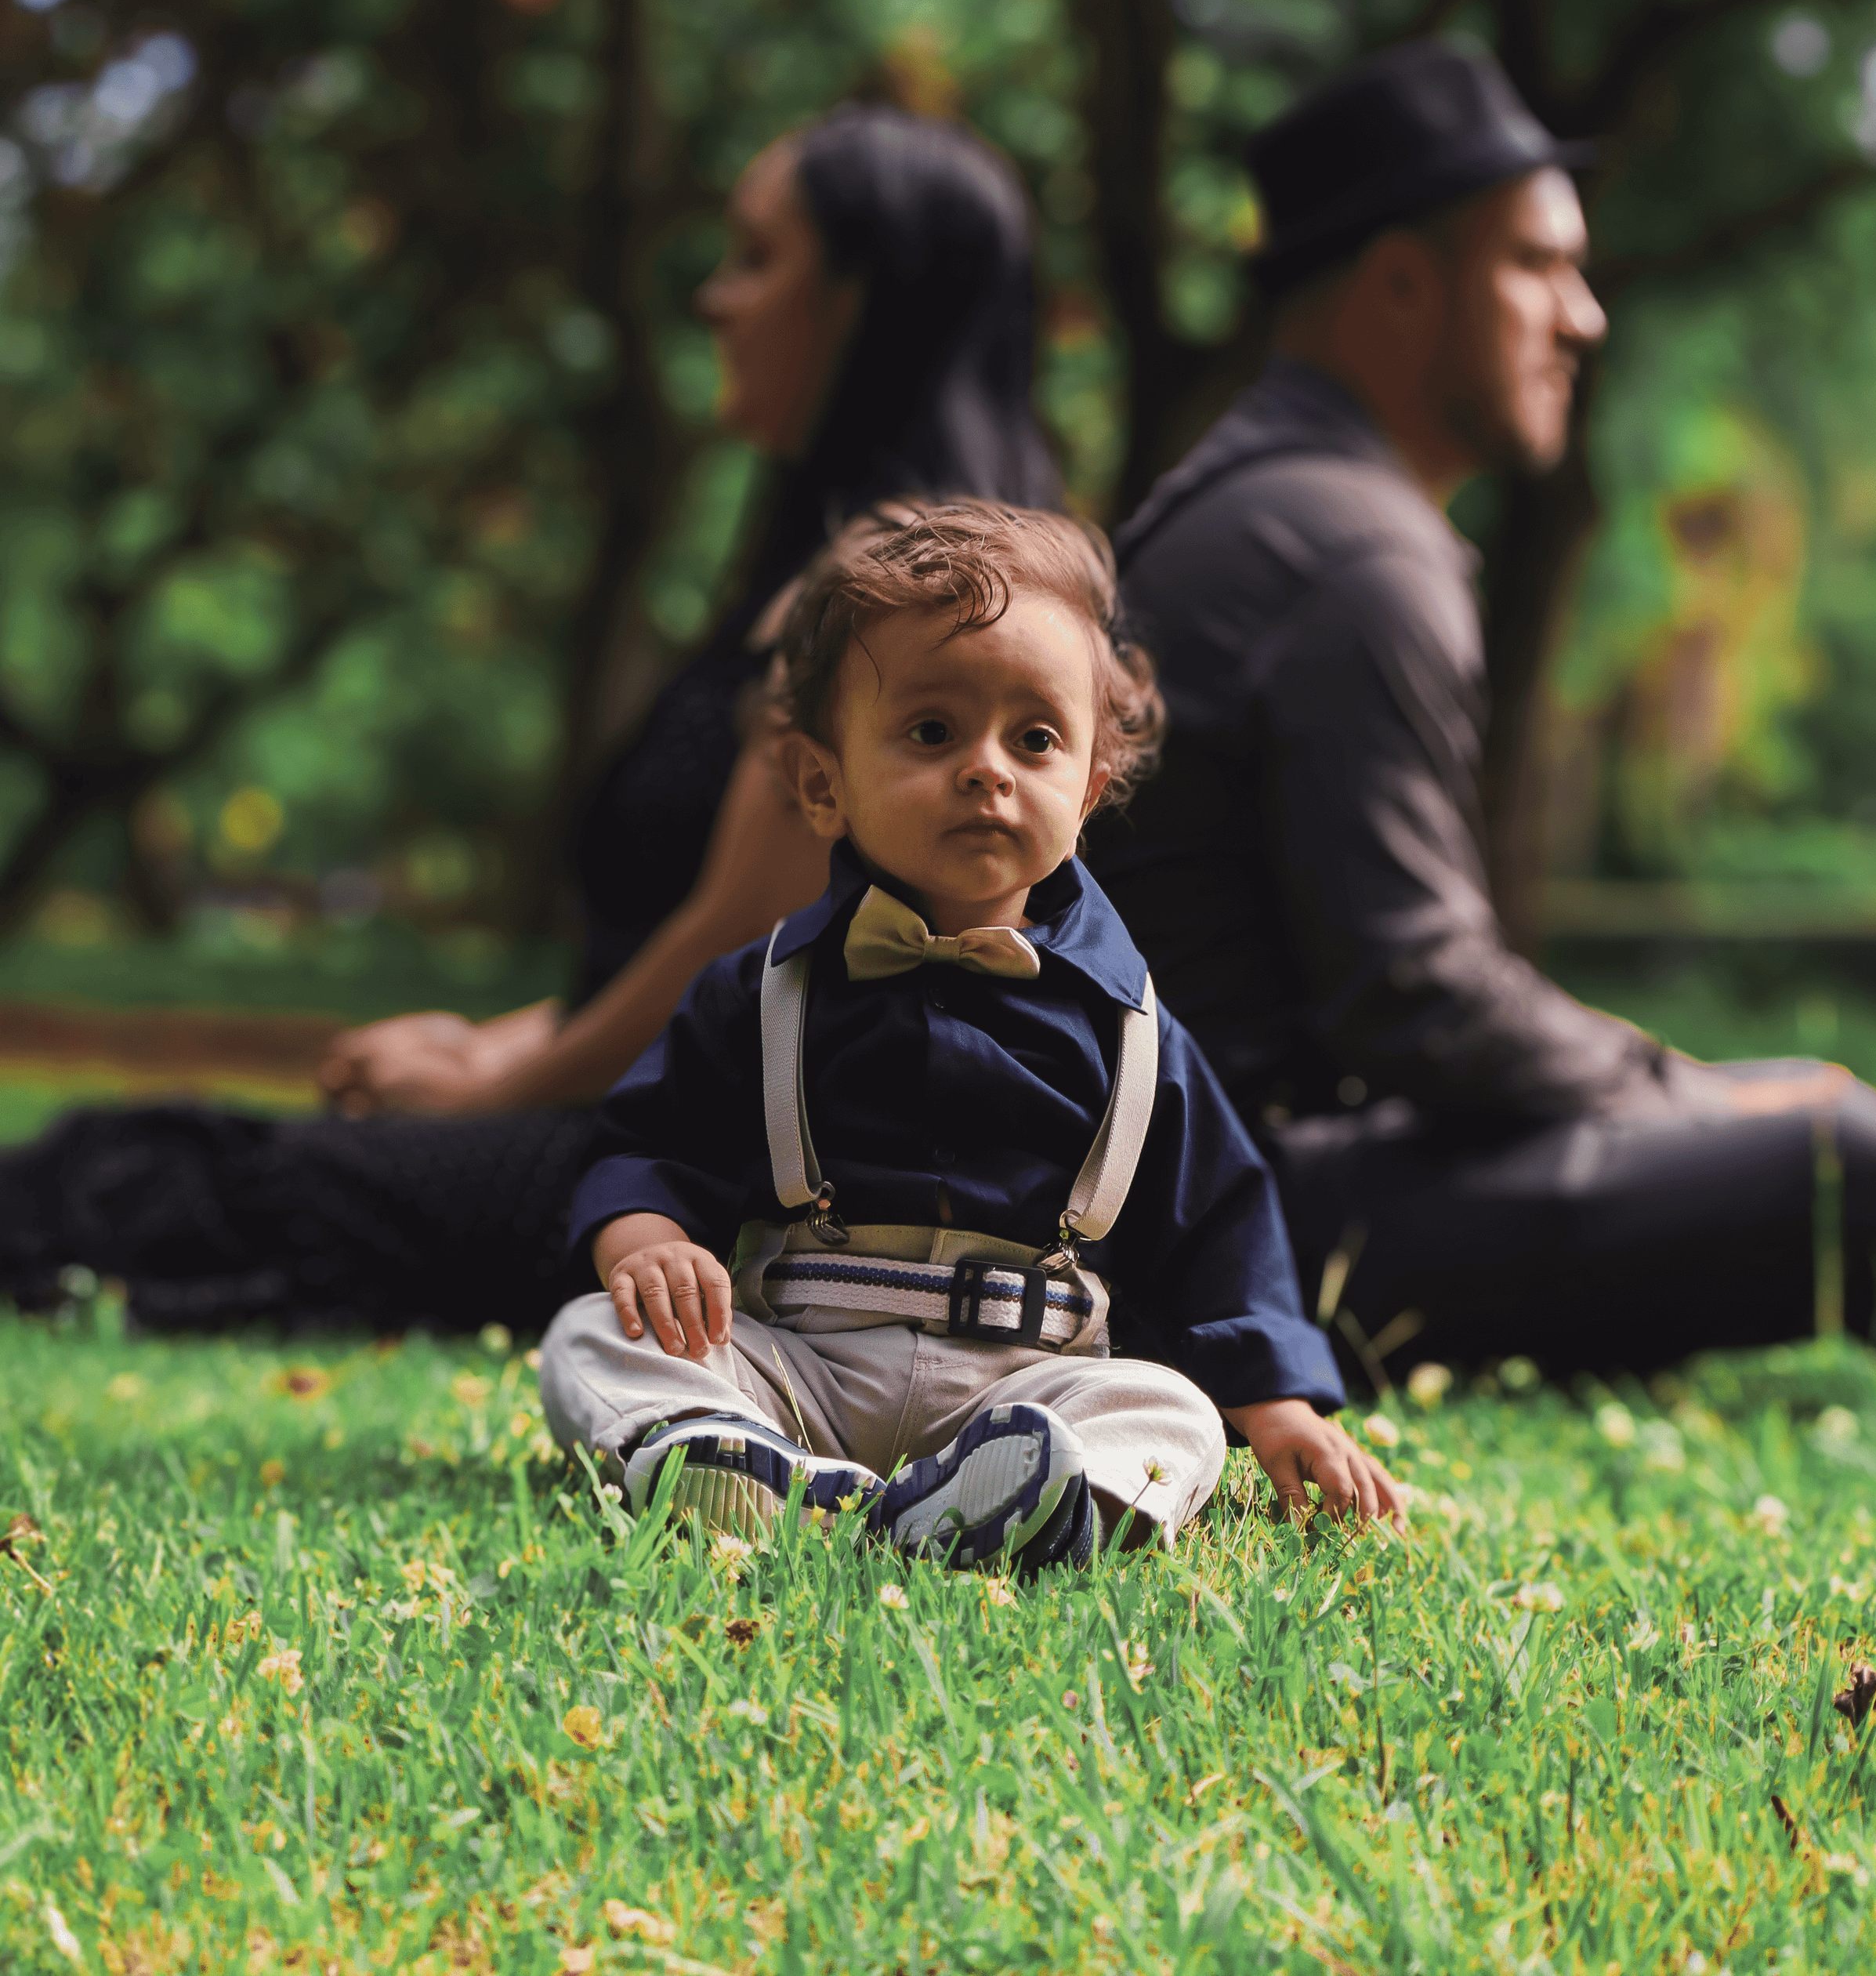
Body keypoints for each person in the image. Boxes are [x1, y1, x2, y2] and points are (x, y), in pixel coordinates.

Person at [0, 106, 1062, 1333]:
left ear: (865, 302)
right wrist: (481, 1045)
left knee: (188, 1192)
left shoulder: (898, 601)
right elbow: (667, 944)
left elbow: (746, 943)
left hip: (709, 1191)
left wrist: (492, 1087)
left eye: (758, 257)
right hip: (677, 1137)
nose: (718, 300)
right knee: (180, 1175)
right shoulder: (888, 574)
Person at [1096, 36, 1876, 1380]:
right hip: (1252, 1233)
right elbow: (1414, 1004)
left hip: (1213, 1200)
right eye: (1538, 265)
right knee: (1844, 1165)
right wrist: (1692, 1091)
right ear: (1403, 284)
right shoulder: (1351, 548)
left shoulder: (1266, 500)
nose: (1583, 315)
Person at [539, 502, 1403, 1565]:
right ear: (824, 783)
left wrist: (1276, 1404)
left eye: (1034, 739)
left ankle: (1036, 1492)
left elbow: (1219, 1226)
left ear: (1086, 789)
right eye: (932, 732)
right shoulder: (762, 995)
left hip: (1028, 1375)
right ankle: (735, 1456)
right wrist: (647, 1235)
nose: (987, 769)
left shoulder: (1131, 1030)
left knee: (1170, 1412)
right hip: (807, 1363)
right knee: (588, 1342)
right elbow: (648, 1142)